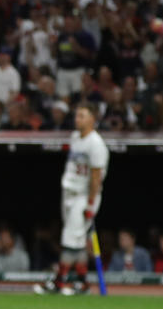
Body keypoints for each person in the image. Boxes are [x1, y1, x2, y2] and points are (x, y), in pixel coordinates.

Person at [35, 102, 109, 295]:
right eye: (77, 115)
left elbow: (95, 177)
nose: (77, 119)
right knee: (77, 239)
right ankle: (82, 282)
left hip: (84, 196)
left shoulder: (96, 143)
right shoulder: (75, 137)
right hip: (69, 192)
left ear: (93, 119)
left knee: (70, 239)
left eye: (82, 116)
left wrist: (91, 203)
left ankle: (59, 282)